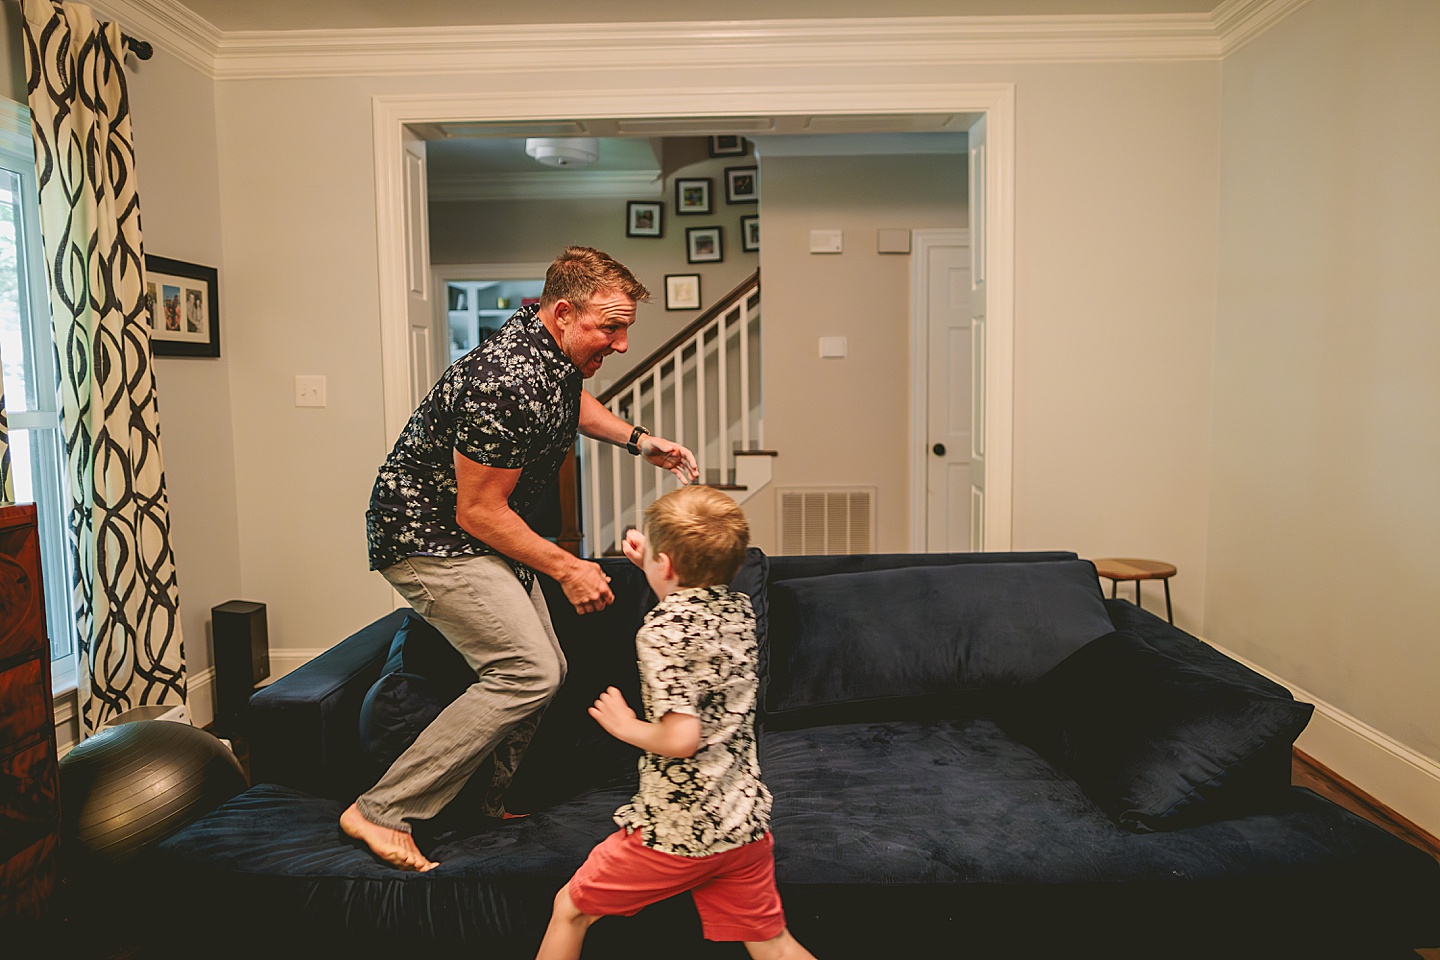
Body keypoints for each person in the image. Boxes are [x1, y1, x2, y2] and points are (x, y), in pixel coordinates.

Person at [343, 246, 699, 872]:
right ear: (564, 312)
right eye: (610, 327)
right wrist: (567, 567)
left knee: (547, 666)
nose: (620, 345)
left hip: (475, 531)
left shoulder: (543, 345)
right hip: (428, 536)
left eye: (625, 329)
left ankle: (483, 805)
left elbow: (568, 402)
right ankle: (380, 810)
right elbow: (478, 512)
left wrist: (641, 440)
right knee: (527, 671)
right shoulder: (505, 380)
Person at [536, 486, 816, 960]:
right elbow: (693, 606)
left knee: (571, 908)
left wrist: (624, 725)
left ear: (666, 566)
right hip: (742, 825)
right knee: (772, 943)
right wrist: (655, 557)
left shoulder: (660, 632)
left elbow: (681, 738)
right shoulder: (738, 610)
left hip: (681, 832)